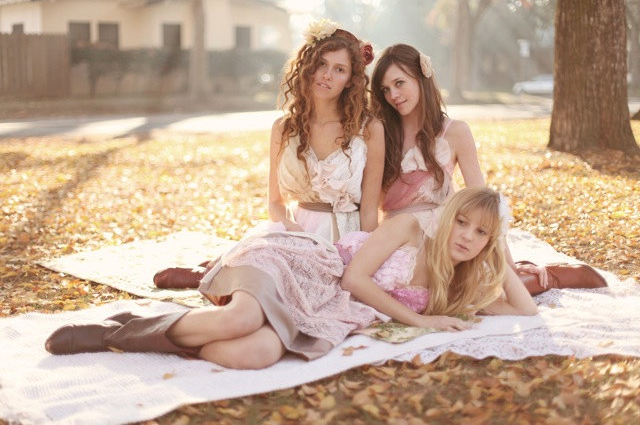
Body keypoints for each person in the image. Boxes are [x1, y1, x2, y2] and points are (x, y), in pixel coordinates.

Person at [45, 187, 537, 369]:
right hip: (305, 267)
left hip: (326, 309)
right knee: (239, 319)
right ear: (448, 217)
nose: (468, 236)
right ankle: (112, 335)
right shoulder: (411, 228)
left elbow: (525, 309)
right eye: (463, 223)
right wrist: (420, 321)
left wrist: (500, 243)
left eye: (481, 233)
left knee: (253, 353)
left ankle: (157, 333)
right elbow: (355, 280)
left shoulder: (459, 288)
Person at [153, 20, 385, 289]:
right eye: (321, 64)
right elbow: (275, 203)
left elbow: (370, 211)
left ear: (350, 81)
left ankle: (217, 272)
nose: (327, 75)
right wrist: (293, 230)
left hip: (344, 237)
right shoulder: (284, 128)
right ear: (308, 67)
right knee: (268, 262)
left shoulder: (368, 129)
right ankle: (212, 272)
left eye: (339, 69)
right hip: (294, 229)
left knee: (298, 285)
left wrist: (367, 264)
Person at [370, 44, 606, 295]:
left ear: (421, 77)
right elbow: (370, 205)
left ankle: (549, 277)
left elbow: (485, 202)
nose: (393, 95)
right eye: (385, 89)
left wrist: (508, 267)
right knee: (402, 291)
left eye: (399, 83)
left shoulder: (456, 131)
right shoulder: (379, 132)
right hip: (397, 238)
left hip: (445, 235)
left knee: (479, 294)